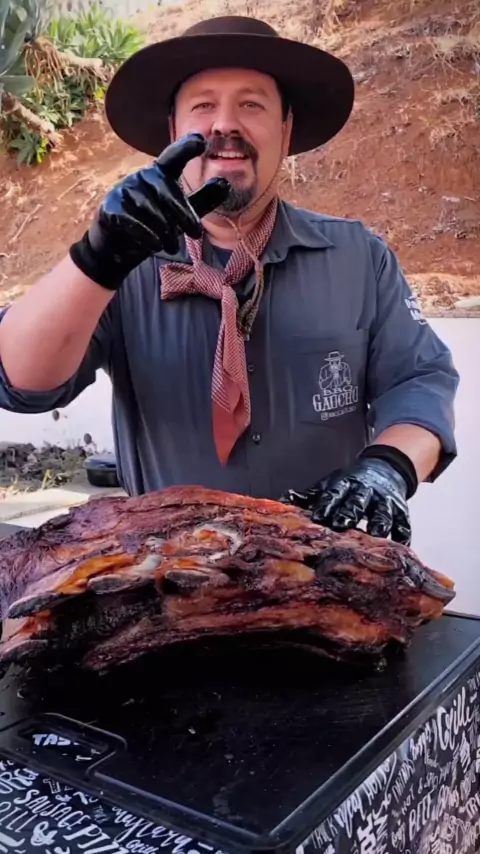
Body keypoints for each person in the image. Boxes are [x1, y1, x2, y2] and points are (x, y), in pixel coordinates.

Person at [0, 16, 459, 546]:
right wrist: (97, 259)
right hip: (164, 573)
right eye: (203, 106)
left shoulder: (359, 258)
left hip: (324, 572)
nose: (225, 124)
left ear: (286, 131)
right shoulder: (120, 264)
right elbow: (21, 383)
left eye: (252, 105)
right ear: (173, 132)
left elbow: (419, 380)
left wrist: (389, 465)